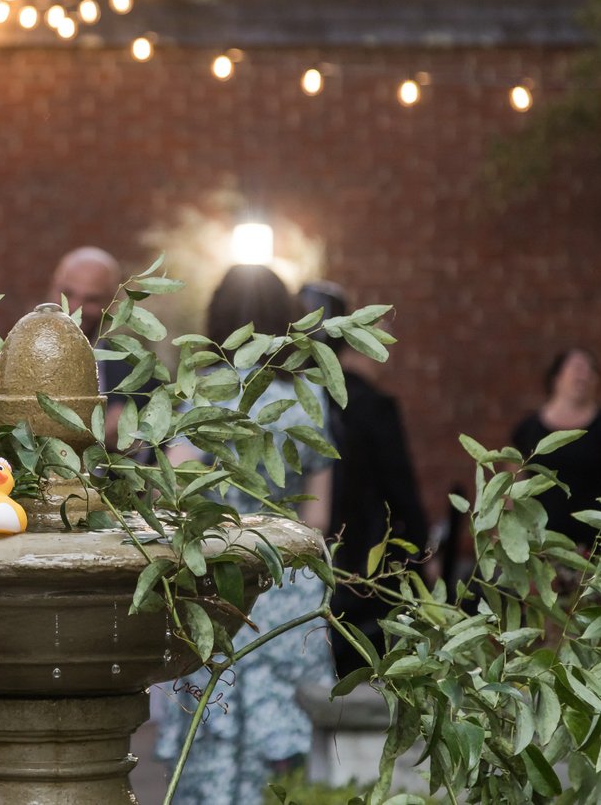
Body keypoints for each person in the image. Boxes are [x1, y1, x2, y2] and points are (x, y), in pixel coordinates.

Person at [154, 264, 335, 803]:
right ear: (285, 321)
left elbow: (175, 495)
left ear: (219, 322)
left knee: (209, 720)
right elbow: (321, 519)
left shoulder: (205, 395)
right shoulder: (309, 398)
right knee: (284, 739)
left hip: (217, 577)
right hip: (288, 587)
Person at [299, 282, 429, 678]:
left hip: (298, 565)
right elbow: (402, 491)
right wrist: (422, 557)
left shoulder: (278, 400)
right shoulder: (369, 404)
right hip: (358, 569)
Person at [510, 348, 601, 548]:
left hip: (599, 543)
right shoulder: (528, 430)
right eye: (577, 367)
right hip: (541, 544)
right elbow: (512, 488)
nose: (585, 374)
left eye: (591, 370)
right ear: (556, 378)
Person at [47, 246, 155, 447]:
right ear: (52, 288)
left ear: (113, 303)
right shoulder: (5, 365)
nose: (75, 308)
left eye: (92, 299)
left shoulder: (140, 376)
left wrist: (128, 444)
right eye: (67, 294)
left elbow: (158, 457)